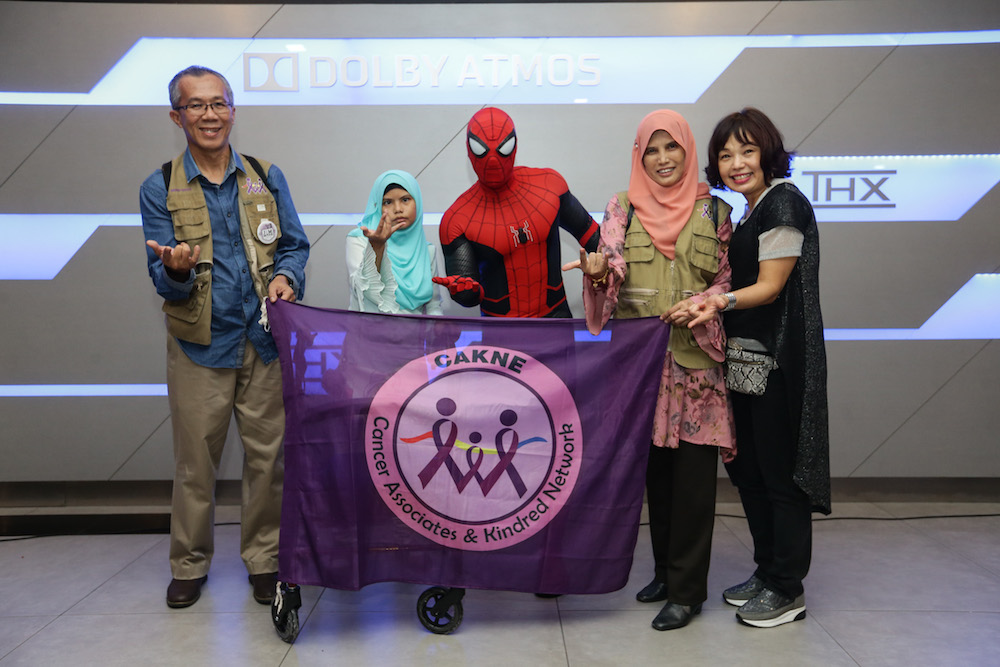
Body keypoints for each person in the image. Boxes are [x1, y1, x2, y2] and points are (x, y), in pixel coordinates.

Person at [139, 65, 310, 609]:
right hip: (200, 345)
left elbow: (294, 246)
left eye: (218, 103)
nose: (209, 115)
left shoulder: (265, 175)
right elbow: (161, 274)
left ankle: (265, 561)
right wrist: (177, 270)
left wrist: (287, 278)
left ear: (232, 111)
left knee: (268, 460)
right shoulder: (160, 185)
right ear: (177, 117)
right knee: (195, 464)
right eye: (196, 105)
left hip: (263, 342)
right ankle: (189, 564)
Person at [565, 109, 735, 631]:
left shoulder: (716, 211)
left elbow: (728, 279)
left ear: (687, 151)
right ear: (639, 157)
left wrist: (707, 300)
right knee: (656, 479)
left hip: (697, 371)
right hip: (640, 371)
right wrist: (598, 272)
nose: (662, 159)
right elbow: (612, 262)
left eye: (671, 148)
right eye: (651, 150)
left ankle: (687, 592)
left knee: (693, 484)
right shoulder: (623, 207)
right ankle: (664, 573)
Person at [674, 106, 830, 628]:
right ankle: (767, 572)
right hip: (746, 361)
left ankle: (787, 587)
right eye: (726, 155)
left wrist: (716, 302)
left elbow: (770, 286)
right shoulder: (748, 210)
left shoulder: (783, 202)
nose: (737, 163)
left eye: (747, 150)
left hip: (779, 362)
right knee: (753, 474)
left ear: (768, 153)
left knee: (781, 476)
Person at [435, 106, 601, 318]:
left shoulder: (549, 187)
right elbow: (468, 293)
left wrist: (602, 270)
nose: (493, 160)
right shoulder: (457, 220)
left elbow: (597, 240)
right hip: (501, 329)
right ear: (469, 150)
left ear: (514, 145)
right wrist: (464, 290)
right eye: (481, 150)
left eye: (502, 148)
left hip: (555, 318)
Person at [346, 170, 443, 315]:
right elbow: (362, 289)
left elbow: (433, 306)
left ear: (417, 202)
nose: (398, 209)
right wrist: (376, 247)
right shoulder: (360, 239)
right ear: (377, 206)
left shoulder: (427, 250)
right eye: (387, 202)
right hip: (368, 328)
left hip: (414, 330)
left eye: (405, 200)